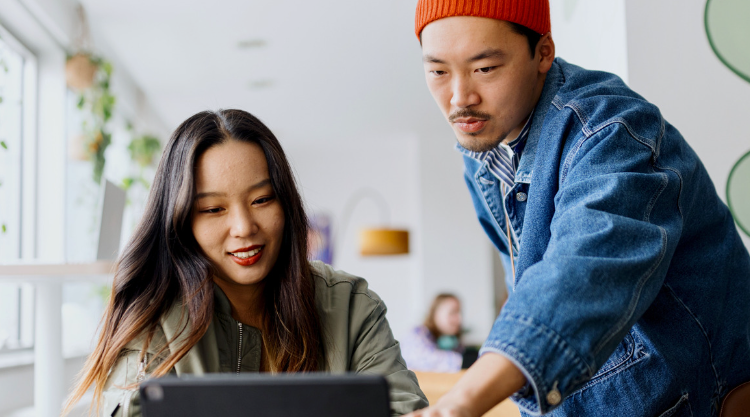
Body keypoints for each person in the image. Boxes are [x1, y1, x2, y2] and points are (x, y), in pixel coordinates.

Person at [406, 1, 750, 416]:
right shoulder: (483, 149)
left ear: (543, 53)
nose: (460, 97)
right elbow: (526, 288)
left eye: (484, 69)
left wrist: (456, 404)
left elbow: (581, 272)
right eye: (438, 71)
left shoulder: (613, 131)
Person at [62, 109, 427, 417]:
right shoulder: (152, 314)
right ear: (180, 221)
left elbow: (404, 409)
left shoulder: (351, 306)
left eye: (262, 200)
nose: (244, 228)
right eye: (213, 209)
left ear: (286, 203)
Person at [401, 294, 464, 372]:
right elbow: (420, 361)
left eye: (460, 313)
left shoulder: (454, 342)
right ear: (435, 313)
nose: (459, 319)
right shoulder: (416, 334)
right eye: (453, 312)